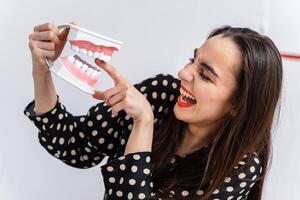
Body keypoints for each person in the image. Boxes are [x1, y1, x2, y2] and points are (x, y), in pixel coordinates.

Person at [24, 22, 282, 200]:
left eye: (204, 75)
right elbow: (73, 145)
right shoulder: (160, 96)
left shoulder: (240, 168)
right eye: (193, 60)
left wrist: (143, 124)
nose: (183, 73)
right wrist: (42, 70)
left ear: (237, 105)